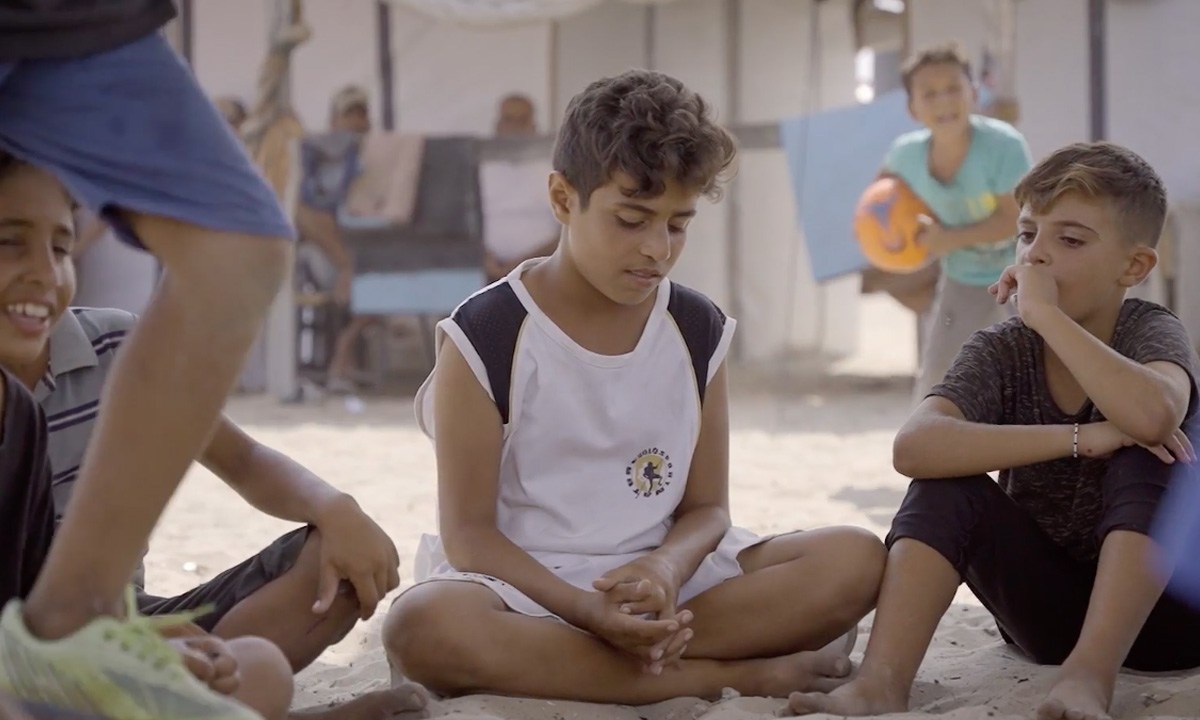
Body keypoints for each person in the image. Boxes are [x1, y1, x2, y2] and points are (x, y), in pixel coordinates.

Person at [381, 69, 886, 704]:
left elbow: (707, 510)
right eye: (631, 218)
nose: (656, 248)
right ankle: (733, 673)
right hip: (525, 590)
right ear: (564, 200)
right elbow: (470, 536)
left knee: (856, 560)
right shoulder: (487, 335)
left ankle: (604, 663)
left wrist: (664, 568)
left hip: (667, 582)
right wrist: (585, 611)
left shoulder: (698, 329)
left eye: (678, 224)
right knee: (421, 629)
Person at [0, 151, 425, 720]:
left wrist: (335, 506)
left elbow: (243, 460)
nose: (46, 272)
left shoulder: (117, 350)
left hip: (118, 622)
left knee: (318, 592)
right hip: (29, 651)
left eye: (60, 246)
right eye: (10, 241)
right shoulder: (18, 417)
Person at [790, 142, 1200, 720]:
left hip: (1168, 622)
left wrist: (1049, 318)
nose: (1038, 257)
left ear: (1133, 267)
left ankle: (1089, 677)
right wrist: (1081, 438)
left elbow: (1156, 414)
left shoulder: (1149, 331)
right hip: (1042, 616)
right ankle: (881, 682)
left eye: (1071, 240)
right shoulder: (1003, 349)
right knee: (945, 482)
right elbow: (913, 447)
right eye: (1028, 234)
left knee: (1155, 448)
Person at [882, 42, 1033, 402]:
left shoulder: (1003, 146)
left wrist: (947, 239)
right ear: (912, 108)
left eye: (953, 88)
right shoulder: (905, 156)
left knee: (1030, 383)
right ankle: (938, 451)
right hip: (962, 280)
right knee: (938, 384)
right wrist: (897, 246)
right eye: (929, 93)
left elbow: (1015, 221)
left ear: (974, 93)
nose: (943, 100)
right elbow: (881, 202)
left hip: (1023, 277)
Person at [480, 93, 561, 283]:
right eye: (509, 120)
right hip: (489, 272)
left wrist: (523, 263)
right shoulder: (481, 170)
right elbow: (468, 224)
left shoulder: (554, 170)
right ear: (498, 126)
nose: (514, 128)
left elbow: (569, 229)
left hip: (543, 269)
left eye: (521, 120)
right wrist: (486, 259)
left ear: (533, 127)